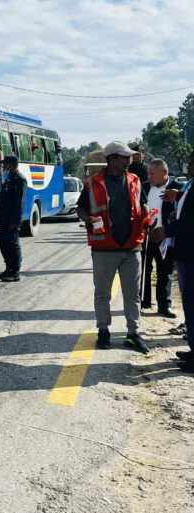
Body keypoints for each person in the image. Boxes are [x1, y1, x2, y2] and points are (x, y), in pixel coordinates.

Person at [77, 141, 150, 353]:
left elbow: (142, 204)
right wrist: (88, 219)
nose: (129, 160)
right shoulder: (92, 183)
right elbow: (81, 208)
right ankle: (103, 331)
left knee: (132, 294)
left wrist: (146, 212)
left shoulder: (135, 180)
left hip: (131, 247)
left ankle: (133, 334)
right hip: (104, 249)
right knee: (102, 293)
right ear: (112, 159)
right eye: (124, 157)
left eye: (129, 157)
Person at [150, 178, 194, 371]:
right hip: (186, 254)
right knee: (190, 306)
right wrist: (180, 196)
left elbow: (191, 221)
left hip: (191, 254)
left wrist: (166, 231)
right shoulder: (191, 185)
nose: (190, 167)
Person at [141, 159, 182, 317]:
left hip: (166, 237)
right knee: (144, 270)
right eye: (148, 173)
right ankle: (143, 302)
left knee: (165, 271)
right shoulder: (144, 187)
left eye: (152, 173)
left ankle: (164, 305)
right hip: (145, 236)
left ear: (164, 173)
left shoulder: (177, 189)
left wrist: (166, 229)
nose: (149, 177)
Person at [0, 155, 26, 282]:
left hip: (11, 220)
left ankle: (15, 272)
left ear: (12, 165)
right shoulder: (9, 178)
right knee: (4, 244)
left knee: (13, 245)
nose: (3, 166)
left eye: (5, 164)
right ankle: (8, 268)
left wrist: (15, 221)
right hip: (3, 219)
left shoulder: (20, 179)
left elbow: (20, 203)